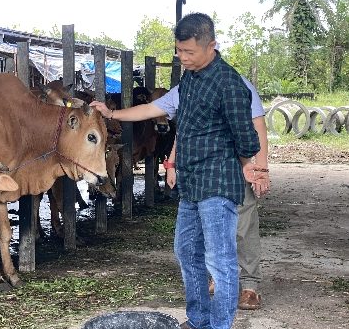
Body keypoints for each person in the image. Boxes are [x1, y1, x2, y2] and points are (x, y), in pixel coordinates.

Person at [90, 13, 268, 329]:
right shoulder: (189, 81)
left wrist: (250, 166)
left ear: (210, 45)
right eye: (179, 51)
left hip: (218, 183)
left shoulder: (229, 83)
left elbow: (247, 137)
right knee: (186, 250)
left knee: (221, 261)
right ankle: (199, 322)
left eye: (188, 51)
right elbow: (155, 108)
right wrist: (112, 113)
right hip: (192, 184)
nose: (182, 58)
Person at [99, 77, 268, 310]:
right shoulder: (185, 89)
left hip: (235, 165)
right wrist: (112, 115)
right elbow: (153, 111)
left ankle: (250, 286)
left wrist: (262, 169)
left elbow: (258, 124)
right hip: (198, 171)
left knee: (243, 223)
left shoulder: (238, 85)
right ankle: (217, 278)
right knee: (203, 227)